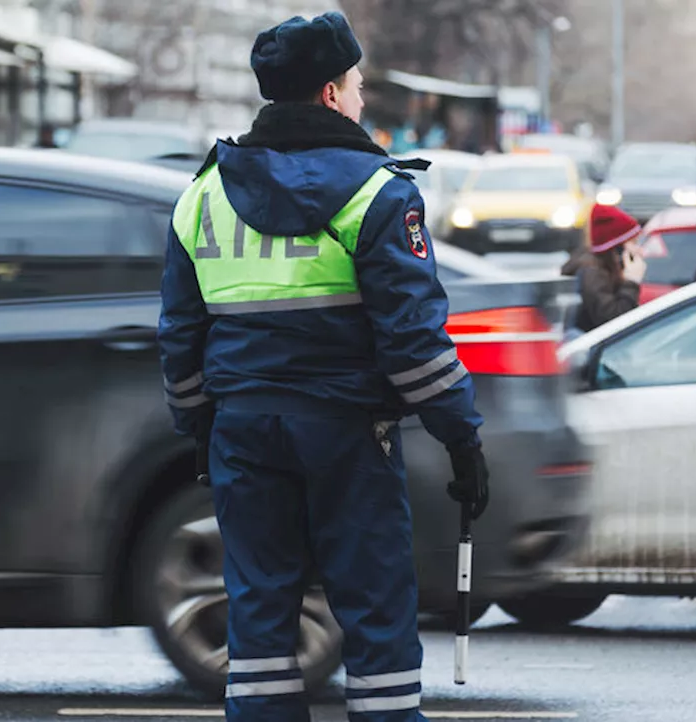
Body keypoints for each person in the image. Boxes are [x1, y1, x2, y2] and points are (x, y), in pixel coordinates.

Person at [158, 12, 488, 722]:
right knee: (373, 606)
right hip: (346, 432)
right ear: (332, 94)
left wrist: (199, 428)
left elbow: (180, 335)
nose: (364, 97)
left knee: (260, 613)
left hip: (244, 431)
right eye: (359, 84)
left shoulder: (204, 194)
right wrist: (461, 437)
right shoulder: (378, 192)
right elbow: (413, 342)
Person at [561, 205, 647, 335]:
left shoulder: (607, 271)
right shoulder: (593, 273)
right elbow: (614, 322)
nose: (640, 250)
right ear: (617, 249)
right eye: (634, 243)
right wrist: (631, 282)